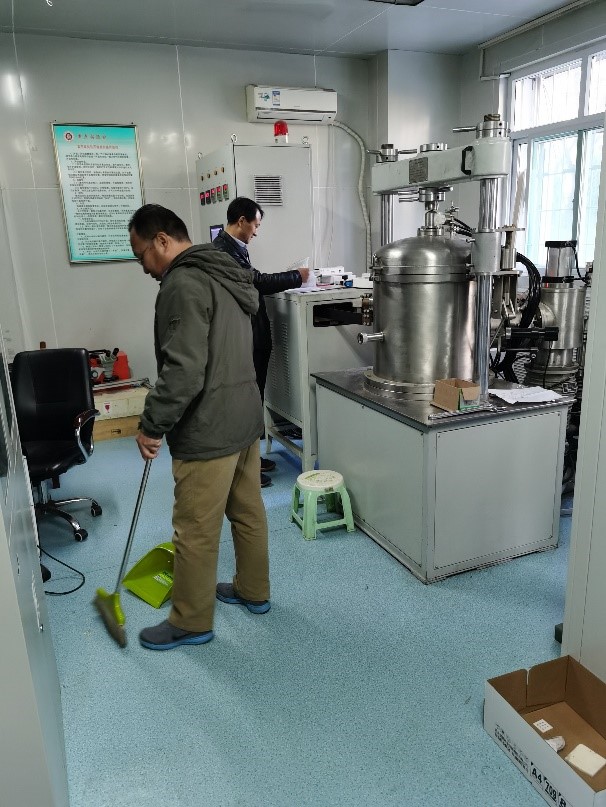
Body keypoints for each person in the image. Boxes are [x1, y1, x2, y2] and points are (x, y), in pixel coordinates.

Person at [129, 203, 270, 651]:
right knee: (247, 511)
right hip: (244, 414)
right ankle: (253, 590)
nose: (143, 267)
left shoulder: (183, 282)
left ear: (161, 241)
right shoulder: (227, 271)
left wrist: (152, 425)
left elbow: (183, 371)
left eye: (141, 254)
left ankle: (190, 622)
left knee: (194, 528)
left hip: (207, 427)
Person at [213, 197, 310, 487]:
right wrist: (297, 277)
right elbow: (256, 281)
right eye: (255, 225)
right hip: (244, 338)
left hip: (251, 335)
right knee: (245, 405)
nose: (256, 231)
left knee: (252, 402)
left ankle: (251, 459)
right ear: (241, 221)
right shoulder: (224, 250)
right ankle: (244, 469)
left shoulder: (233, 247)